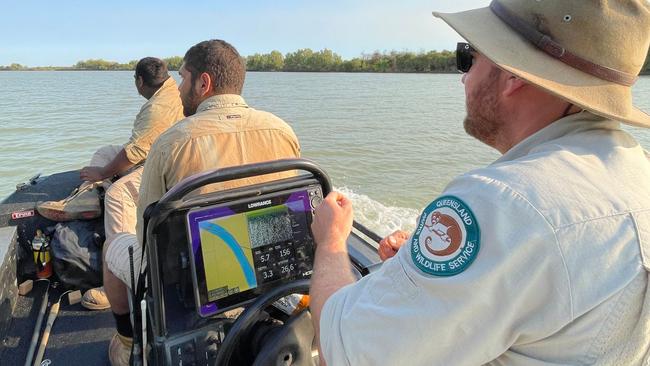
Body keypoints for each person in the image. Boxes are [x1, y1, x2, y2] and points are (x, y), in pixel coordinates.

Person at [310, 1, 650, 365]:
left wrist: (330, 242)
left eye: (468, 57)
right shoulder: (637, 170)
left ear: (513, 73)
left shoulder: (502, 202)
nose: (463, 77)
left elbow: (343, 349)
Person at [103, 39, 301, 366]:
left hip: (193, 282)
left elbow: (146, 237)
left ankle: (126, 345)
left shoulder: (171, 143)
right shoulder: (282, 130)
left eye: (183, 78)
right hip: (268, 267)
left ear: (203, 83)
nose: (178, 89)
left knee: (114, 246)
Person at [37, 57, 184, 310]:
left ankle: (120, 279)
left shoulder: (158, 107)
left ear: (139, 81)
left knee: (118, 194)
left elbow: (134, 154)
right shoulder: (171, 90)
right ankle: (87, 196)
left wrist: (102, 173)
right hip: (158, 154)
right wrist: (104, 168)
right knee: (105, 151)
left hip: (167, 168)